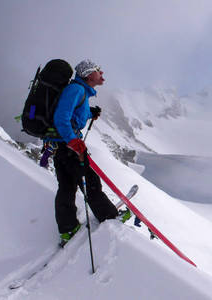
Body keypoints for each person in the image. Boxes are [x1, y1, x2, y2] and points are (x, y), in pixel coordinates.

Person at [49, 59, 129, 244]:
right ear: (88, 74)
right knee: (90, 181)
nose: (102, 74)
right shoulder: (76, 90)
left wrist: (89, 112)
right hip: (69, 147)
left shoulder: (79, 91)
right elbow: (61, 117)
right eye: (98, 71)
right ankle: (109, 217)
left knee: (67, 186)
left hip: (61, 146)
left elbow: (72, 113)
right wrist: (73, 141)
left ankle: (67, 229)